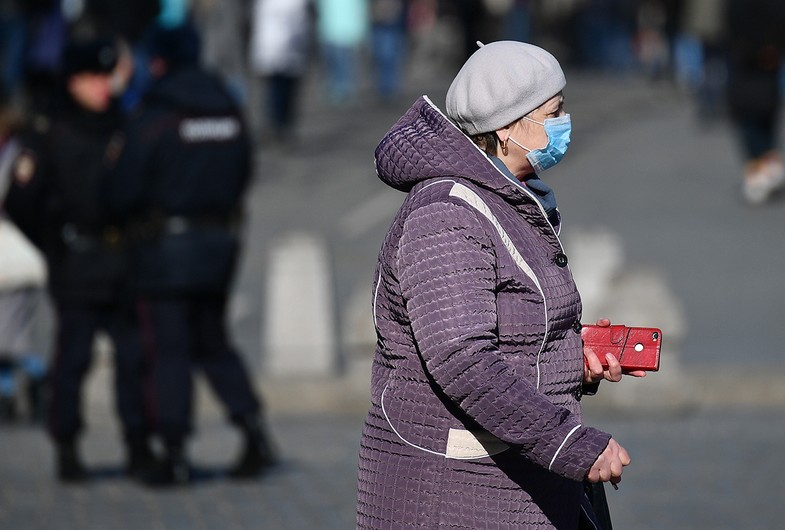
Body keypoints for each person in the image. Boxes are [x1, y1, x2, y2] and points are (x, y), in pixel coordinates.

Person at [357, 41, 643, 529]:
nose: (565, 123)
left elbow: (514, 331)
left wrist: (570, 360)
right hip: (451, 494)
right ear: (507, 128)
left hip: (514, 480)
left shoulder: (514, 198)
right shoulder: (446, 215)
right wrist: (568, 444)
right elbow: (462, 359)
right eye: (553, 113)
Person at [102, 24, 277, 486]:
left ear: (159, 62)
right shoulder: (228, 109)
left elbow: (122, 189)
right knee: (213, 341)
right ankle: (254, 431)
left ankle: (174, 451)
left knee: (168, 351)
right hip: (219, 244)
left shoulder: (156, 113)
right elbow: (244, 172)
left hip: (163, 252)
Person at [2, 34, 156, 482]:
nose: (102, 87)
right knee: (72, 360)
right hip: (75, 262)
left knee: (134, 359)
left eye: (105, 77)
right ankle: (67, 446)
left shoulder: (125, 124)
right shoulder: (50, 132)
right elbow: (21, 200)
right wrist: (54, 241)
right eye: (92, 78)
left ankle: (138, 443)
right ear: (72, 82)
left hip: (122, 259)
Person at [0, 88, 48, 423]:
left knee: (8, 334)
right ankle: (14, 391)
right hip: (12, 252)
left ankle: (38, 377)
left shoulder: (20, 154)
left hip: (14, 255)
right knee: (9, 333)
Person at [725, 0, 785, 204]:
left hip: (752, 63)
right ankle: (766, 167)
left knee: (754, 124)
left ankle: (761, 170)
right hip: (760, 63)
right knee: (761, 122)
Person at [249, 0, 313, 144]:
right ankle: (276, 127)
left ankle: (282, 127)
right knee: (274, 92)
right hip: (273, 50)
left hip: (290, 50)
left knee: (286, 93)